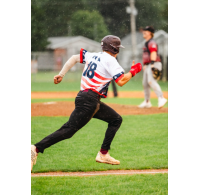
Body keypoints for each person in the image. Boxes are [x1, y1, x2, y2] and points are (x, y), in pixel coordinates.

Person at [31, 35, 142, 171]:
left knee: (116, 119)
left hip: (87, 98)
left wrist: (61, 74)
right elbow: (121, 81)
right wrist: (134, 71)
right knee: (68, 130)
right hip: (89, 101)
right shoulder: (111, 61)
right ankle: (35, 149)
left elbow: (73, 58)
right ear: (114, 49)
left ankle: (103, 153)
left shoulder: (92, 55)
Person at [138, 26, 167, 109]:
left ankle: (161, 98)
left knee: (151, 81)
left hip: (154, 63)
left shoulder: (152, 42)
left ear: (150, 33)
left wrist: (152, 64)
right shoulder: (147, 42)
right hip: (148, 64)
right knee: (145, 83)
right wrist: (145, 65)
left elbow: (153, 52)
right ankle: (147, 102)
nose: (144, 32)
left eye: (146, 31)